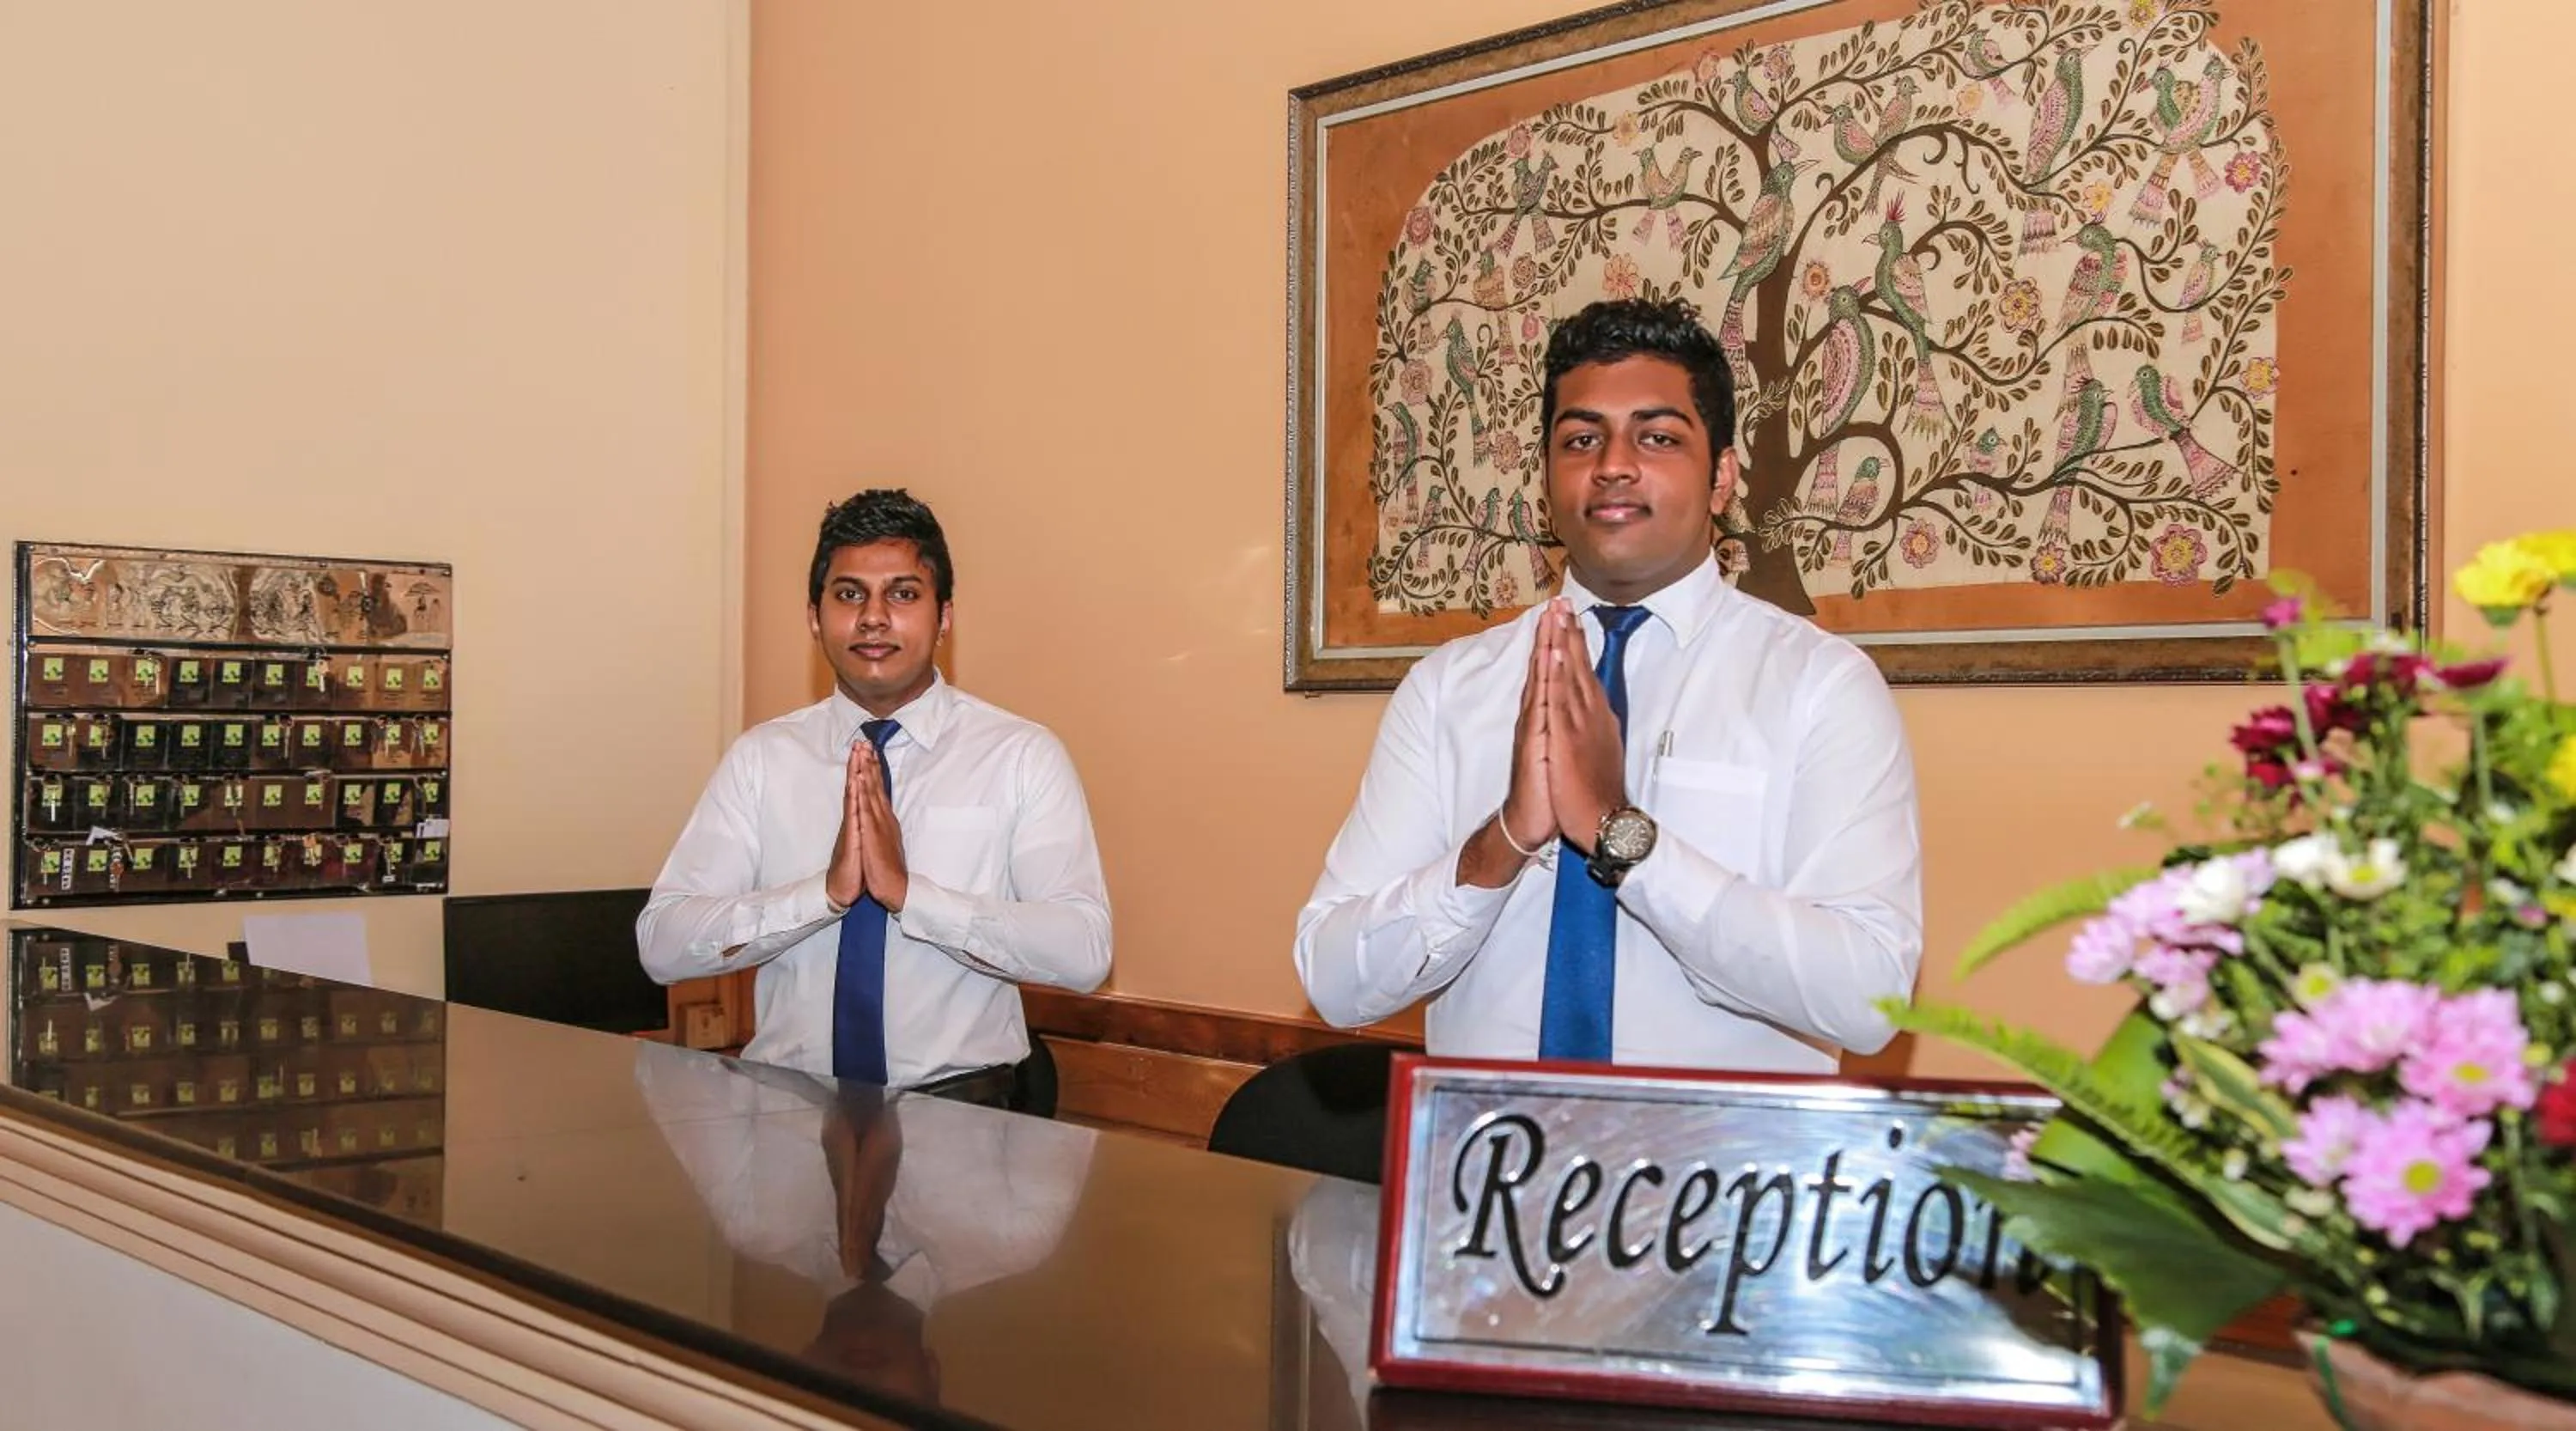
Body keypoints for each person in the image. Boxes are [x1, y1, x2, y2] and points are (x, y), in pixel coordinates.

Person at [1294, 298, 1922, 1072]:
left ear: (1722, 476)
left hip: (1715, 1182)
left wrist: (1622, 836)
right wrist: (1505, 841)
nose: (1612, 464)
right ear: (1547, 482)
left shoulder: (1820, 687)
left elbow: (1869, 999)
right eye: (1581, 439)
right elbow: (1333, 980)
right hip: (1486, 1173)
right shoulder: (1448, 688)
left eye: (1657, 437)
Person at [639, 489, 1111, 1091]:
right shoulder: (761, 758)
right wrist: (823, 896)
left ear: (944, 618)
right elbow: (663, 944)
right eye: (849, 594)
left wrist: (911, 896)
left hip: (964, 1121)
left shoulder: (1021, 755)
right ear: (815, 618)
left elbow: (1084, 952)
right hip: (787, 1119)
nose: (874, 617)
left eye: (904, 594)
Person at [634, 1044, 1097, 1408]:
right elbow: (1060, 1086)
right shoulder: (1014, 1238)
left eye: (831, 1409)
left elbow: (666, 1068)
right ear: (932, 1376)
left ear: (804, 1361)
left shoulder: (757, 1222)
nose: (861, 1386)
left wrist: (794, 1082)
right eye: (881, 1421)